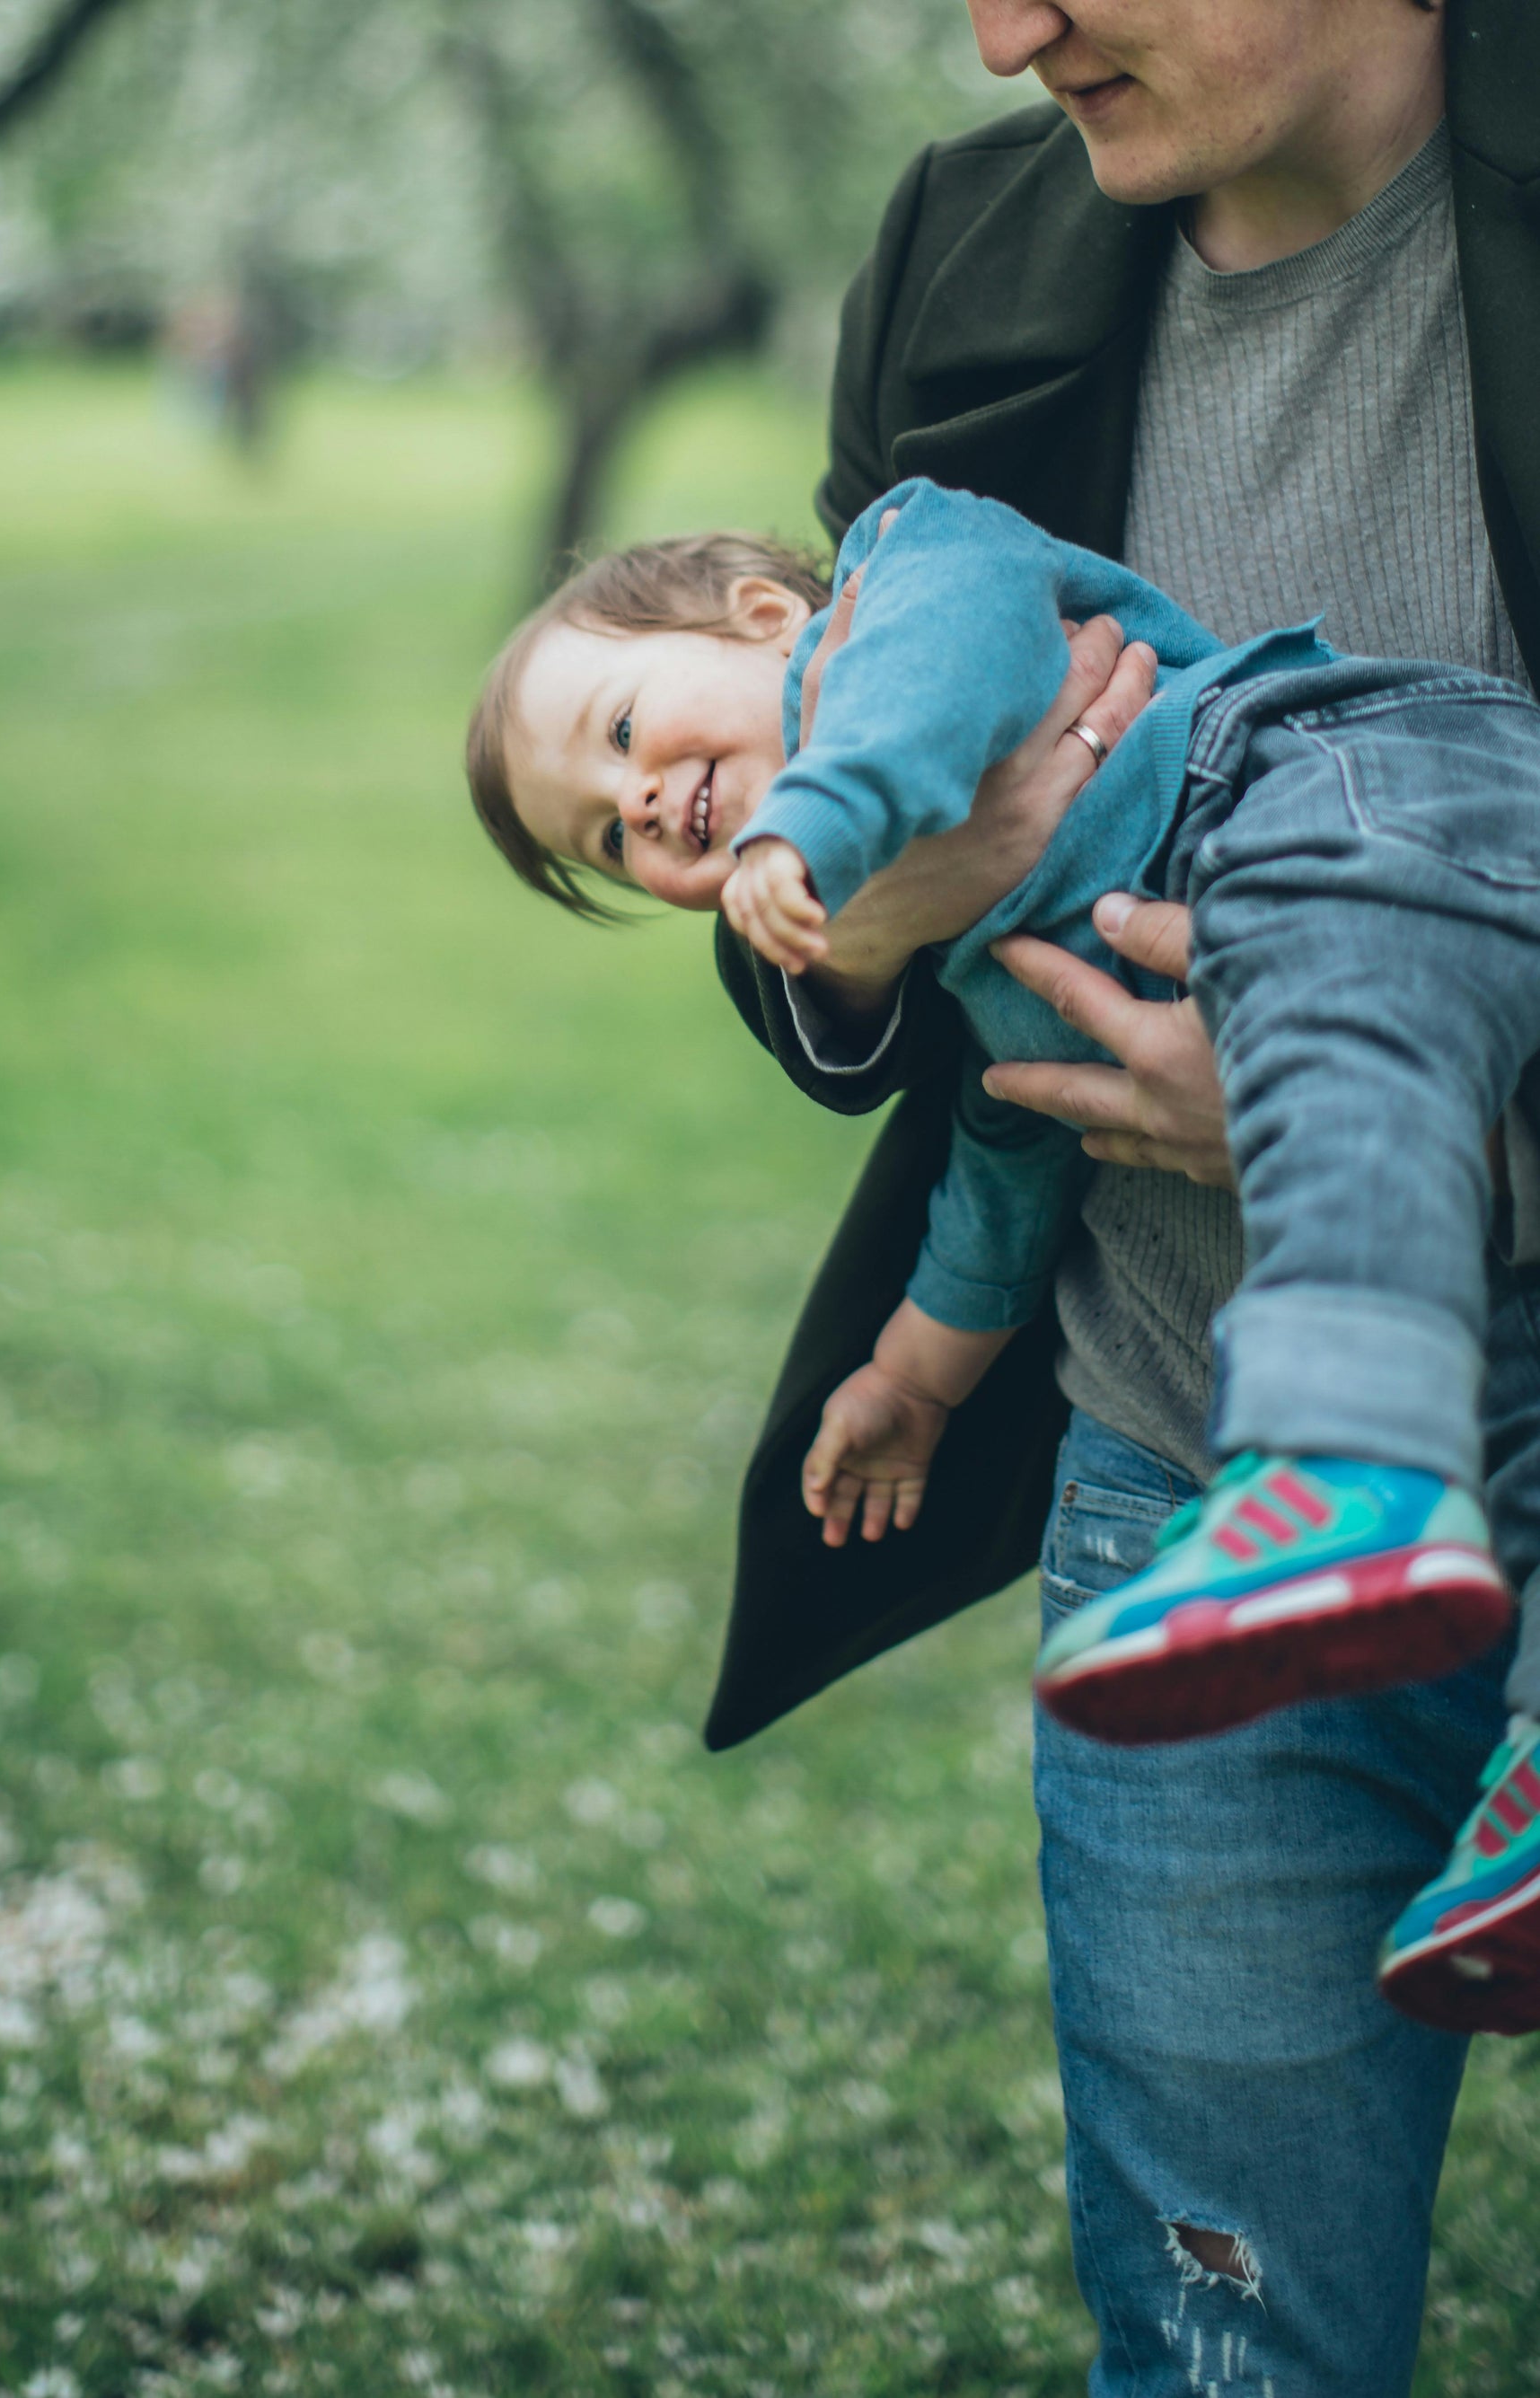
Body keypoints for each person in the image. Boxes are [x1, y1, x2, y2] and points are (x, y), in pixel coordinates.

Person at [702, 3, 1538, 2390]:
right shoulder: (966, 250)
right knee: (1221, 2344)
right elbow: (825, 837)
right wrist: (867, 919)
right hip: (1174, 1488)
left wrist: (1399, 1127)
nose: (1003, 35)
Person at [466, 470, 1540, 2032]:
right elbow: (1011, 1144)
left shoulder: (915, 551)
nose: (632, 805)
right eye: (603, 836)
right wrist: (918, 1375)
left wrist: (822, 818)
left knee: (1333, 1022)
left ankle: (1341, 1454)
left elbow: (949, 659)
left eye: (620, 730)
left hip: (1354, 786)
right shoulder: (969, 944)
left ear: (762, 615)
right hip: (1322, 896)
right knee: (1514, 1398)